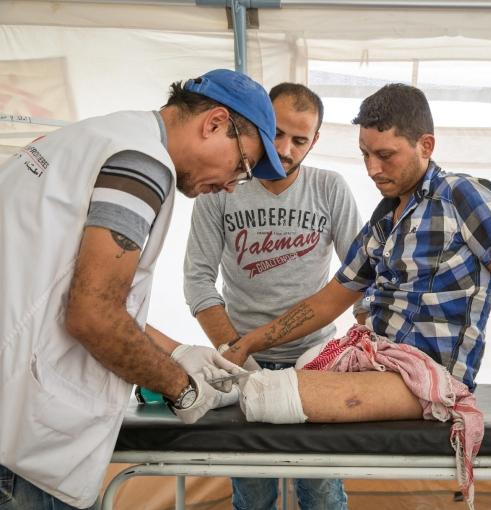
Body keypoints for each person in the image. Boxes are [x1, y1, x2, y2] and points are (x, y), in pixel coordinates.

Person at [0, 68, 286, 510]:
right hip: (21, 446)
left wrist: (177, 351)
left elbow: (67, 293)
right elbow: (92, 314)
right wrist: (181, 387)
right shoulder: (142, 164)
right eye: (242, 166)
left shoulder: (99, 136)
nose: (232, 185)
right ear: (213, 123)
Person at [219, 83, 491, 423]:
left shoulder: (462, 196)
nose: (373, 169)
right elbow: (328, 302)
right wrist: (244, 344)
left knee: (265, 394)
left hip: (432, 377)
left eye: (386, 155)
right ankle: (202, 382)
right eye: (364, 154)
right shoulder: (383, 220)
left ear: (426, 145)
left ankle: (198, 391)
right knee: (272, 375)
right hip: (379, 363)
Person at [184, 83, 361, 510]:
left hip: (315, 361)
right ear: (260, 126)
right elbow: (197, 280)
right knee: (253, 490)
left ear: (314, 140)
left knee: (320, 491)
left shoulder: (330, 188)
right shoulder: (223, 186)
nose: (284, 149)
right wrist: (238, 355)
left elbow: (361, 276)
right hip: (242, 363)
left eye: (300, 140)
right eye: (277, 133)